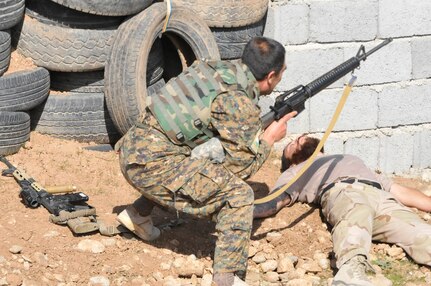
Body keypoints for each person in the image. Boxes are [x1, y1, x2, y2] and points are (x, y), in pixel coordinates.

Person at [115, 36, 297, 286]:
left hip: (134, 150)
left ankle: (137, 215)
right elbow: (242, 168)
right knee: (239, 196)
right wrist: (268, 139)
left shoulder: (215, 69)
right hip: (150, 165)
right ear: (271, 76)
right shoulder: (238, 101)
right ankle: (228, 278)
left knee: (200, 158)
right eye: (282, 74)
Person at [254, 134, 431, 285]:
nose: (298, 139)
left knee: (421, 232)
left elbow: (397, 190)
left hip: (381, 196)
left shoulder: (347, 158)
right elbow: (275, 200)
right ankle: (351, 274)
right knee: (356, 214)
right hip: (344, 191)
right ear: (291, 161)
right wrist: (241, 212)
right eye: (291, 144)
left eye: (299, 138)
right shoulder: (296, 171)